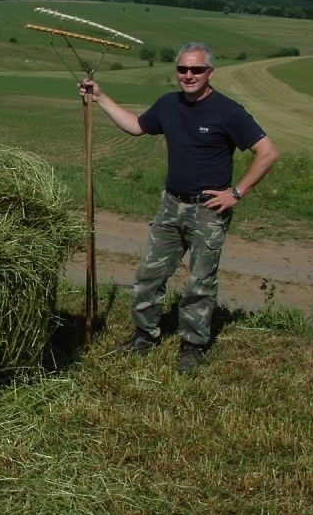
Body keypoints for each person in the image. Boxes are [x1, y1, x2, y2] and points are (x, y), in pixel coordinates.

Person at [80, 42, 279, 373]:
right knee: (148, 274)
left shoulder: (228, 111)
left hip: (208, 211)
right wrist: (100, 97)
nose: (189, 75)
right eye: (183, 69)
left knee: (200, 282)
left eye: (196, 69)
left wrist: (236, 193)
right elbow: (135, 126)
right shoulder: (168, 105)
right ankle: (145, 335)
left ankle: (193, 344)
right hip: (171, 205)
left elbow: (268, 152)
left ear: (210, 72)